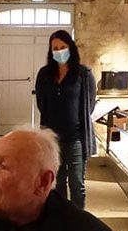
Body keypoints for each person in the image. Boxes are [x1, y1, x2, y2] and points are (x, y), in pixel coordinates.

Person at [34, 30, 97, 209]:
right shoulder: (45, 74)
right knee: (57, 181)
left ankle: (78, 221)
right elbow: (41, 103)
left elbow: (89, 105)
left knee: (77, 183)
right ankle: (60, 218)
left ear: (70, 48)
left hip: (76, 137)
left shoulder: (83, 74)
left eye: (63, 47)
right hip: (52, 139)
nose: (59, 51)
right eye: (55, 48)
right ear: (50, 51)